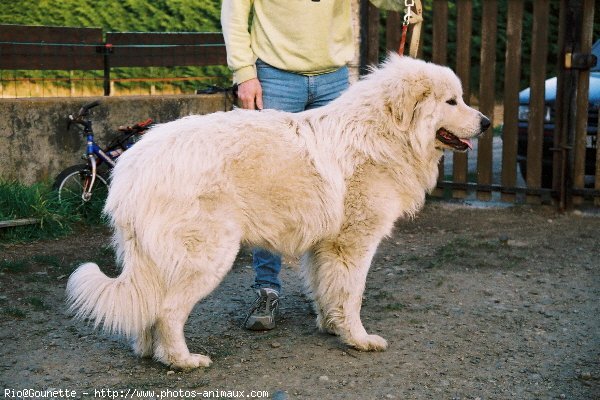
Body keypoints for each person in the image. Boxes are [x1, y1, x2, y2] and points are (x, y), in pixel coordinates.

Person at [221, 0, 355, 330]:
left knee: (337, 192)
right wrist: (244, 73)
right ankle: (267, 291)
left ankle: (332, 297)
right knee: (267, 189)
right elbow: (234, 14)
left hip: (334, 80)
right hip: (274, 77)